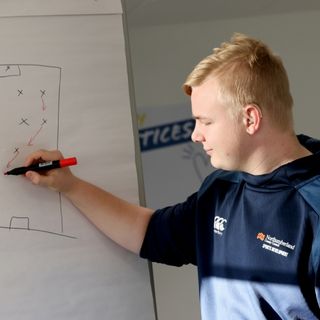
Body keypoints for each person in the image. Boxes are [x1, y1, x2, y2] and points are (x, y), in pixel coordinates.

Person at [23, 33, 320, 319]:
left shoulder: (313, 208)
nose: (195, 135)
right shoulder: (221, 191)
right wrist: (69, 185)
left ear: (250, 118)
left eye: (206, 121)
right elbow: (148, 233)